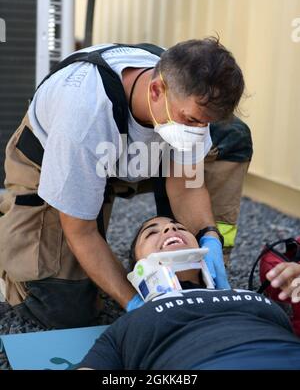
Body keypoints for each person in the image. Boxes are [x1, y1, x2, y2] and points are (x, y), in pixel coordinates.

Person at [0, 38, 252, 328]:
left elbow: (186, 185)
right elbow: (80, 233)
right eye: (191, 120)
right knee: (64, 310)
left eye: (204, 123)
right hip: (57, 164)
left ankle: (201, 275)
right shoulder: (83, 117)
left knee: (231, 135)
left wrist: (208, 236)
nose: (199, 132)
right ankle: (12, 232)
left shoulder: (185, 105)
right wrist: (135, 304)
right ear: (156, 90)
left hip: (136, 154)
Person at [78, 216, 300, 370]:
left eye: (180, 227)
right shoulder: (126, 327)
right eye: (151, 233)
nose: (171, 229)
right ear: (138, 268)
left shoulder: (257, 298)